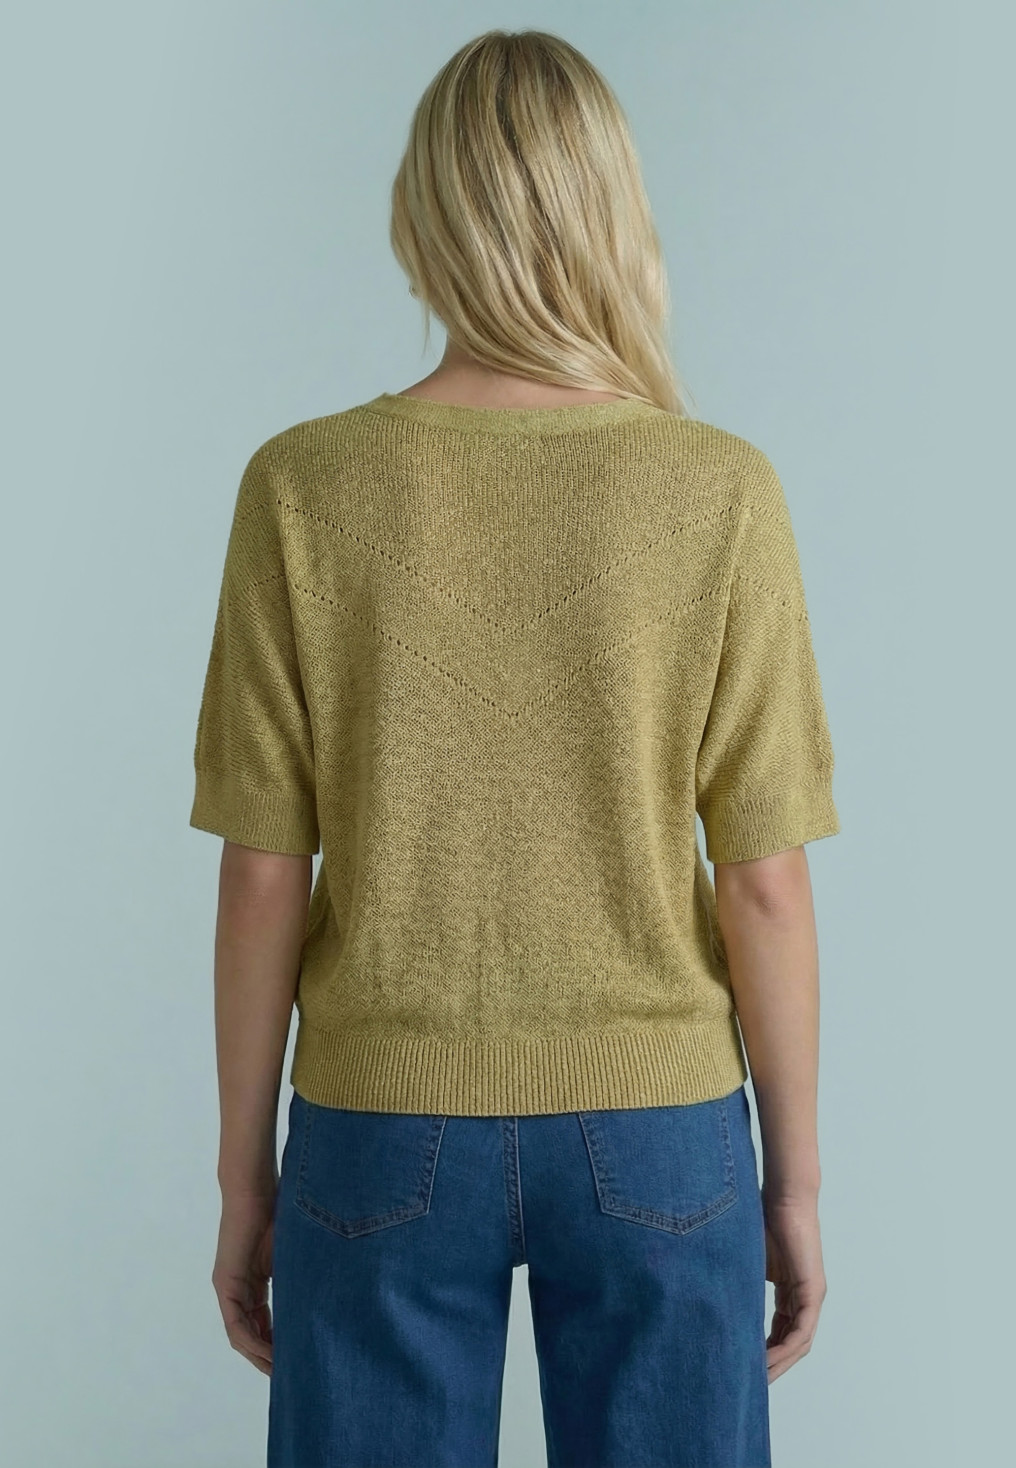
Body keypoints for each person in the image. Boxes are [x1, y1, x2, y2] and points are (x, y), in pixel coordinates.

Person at [189, 27, 840, 1468]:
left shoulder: (302, 487)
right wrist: (792, 1188)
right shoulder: (721, 490)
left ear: (424, 218)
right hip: (662, 1124)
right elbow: (765, 881)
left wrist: (245, 1185)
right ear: (614, 217)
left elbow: (259, 874)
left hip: (379, 1121)